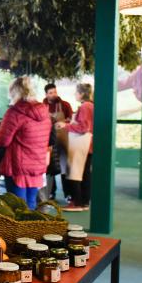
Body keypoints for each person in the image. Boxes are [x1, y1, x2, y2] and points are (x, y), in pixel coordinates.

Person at [0, 76, 52, 210]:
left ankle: (19, 230)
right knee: (31, 204)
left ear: (14, 92)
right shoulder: (44, 113)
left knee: (17, 207)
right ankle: (29, 230)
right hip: (36, 164)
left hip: (17, 166)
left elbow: (2, 141)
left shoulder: (15, 112)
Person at [55, 83, 93, 211]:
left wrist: (64, 126)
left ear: (82, 94)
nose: (75, 94)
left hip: (82, 144)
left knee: (75, 172)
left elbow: (83, 127)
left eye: (76, 92)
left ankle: (76, 202)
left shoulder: (85, 107)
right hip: (88, 145)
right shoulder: (91, 106)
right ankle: (84, 201)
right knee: (85, 174)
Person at [41, 83, 72, 201]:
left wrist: (64, 123)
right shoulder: (42, 106)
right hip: (48, 141)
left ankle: (68, 194)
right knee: (50, 168)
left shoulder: (65, 105)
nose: (53, 95)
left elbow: (71, 120)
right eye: (50, 93)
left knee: (65, 168)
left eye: (54, 92)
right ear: (46, 94)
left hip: (63, 141)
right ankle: (51, 193)